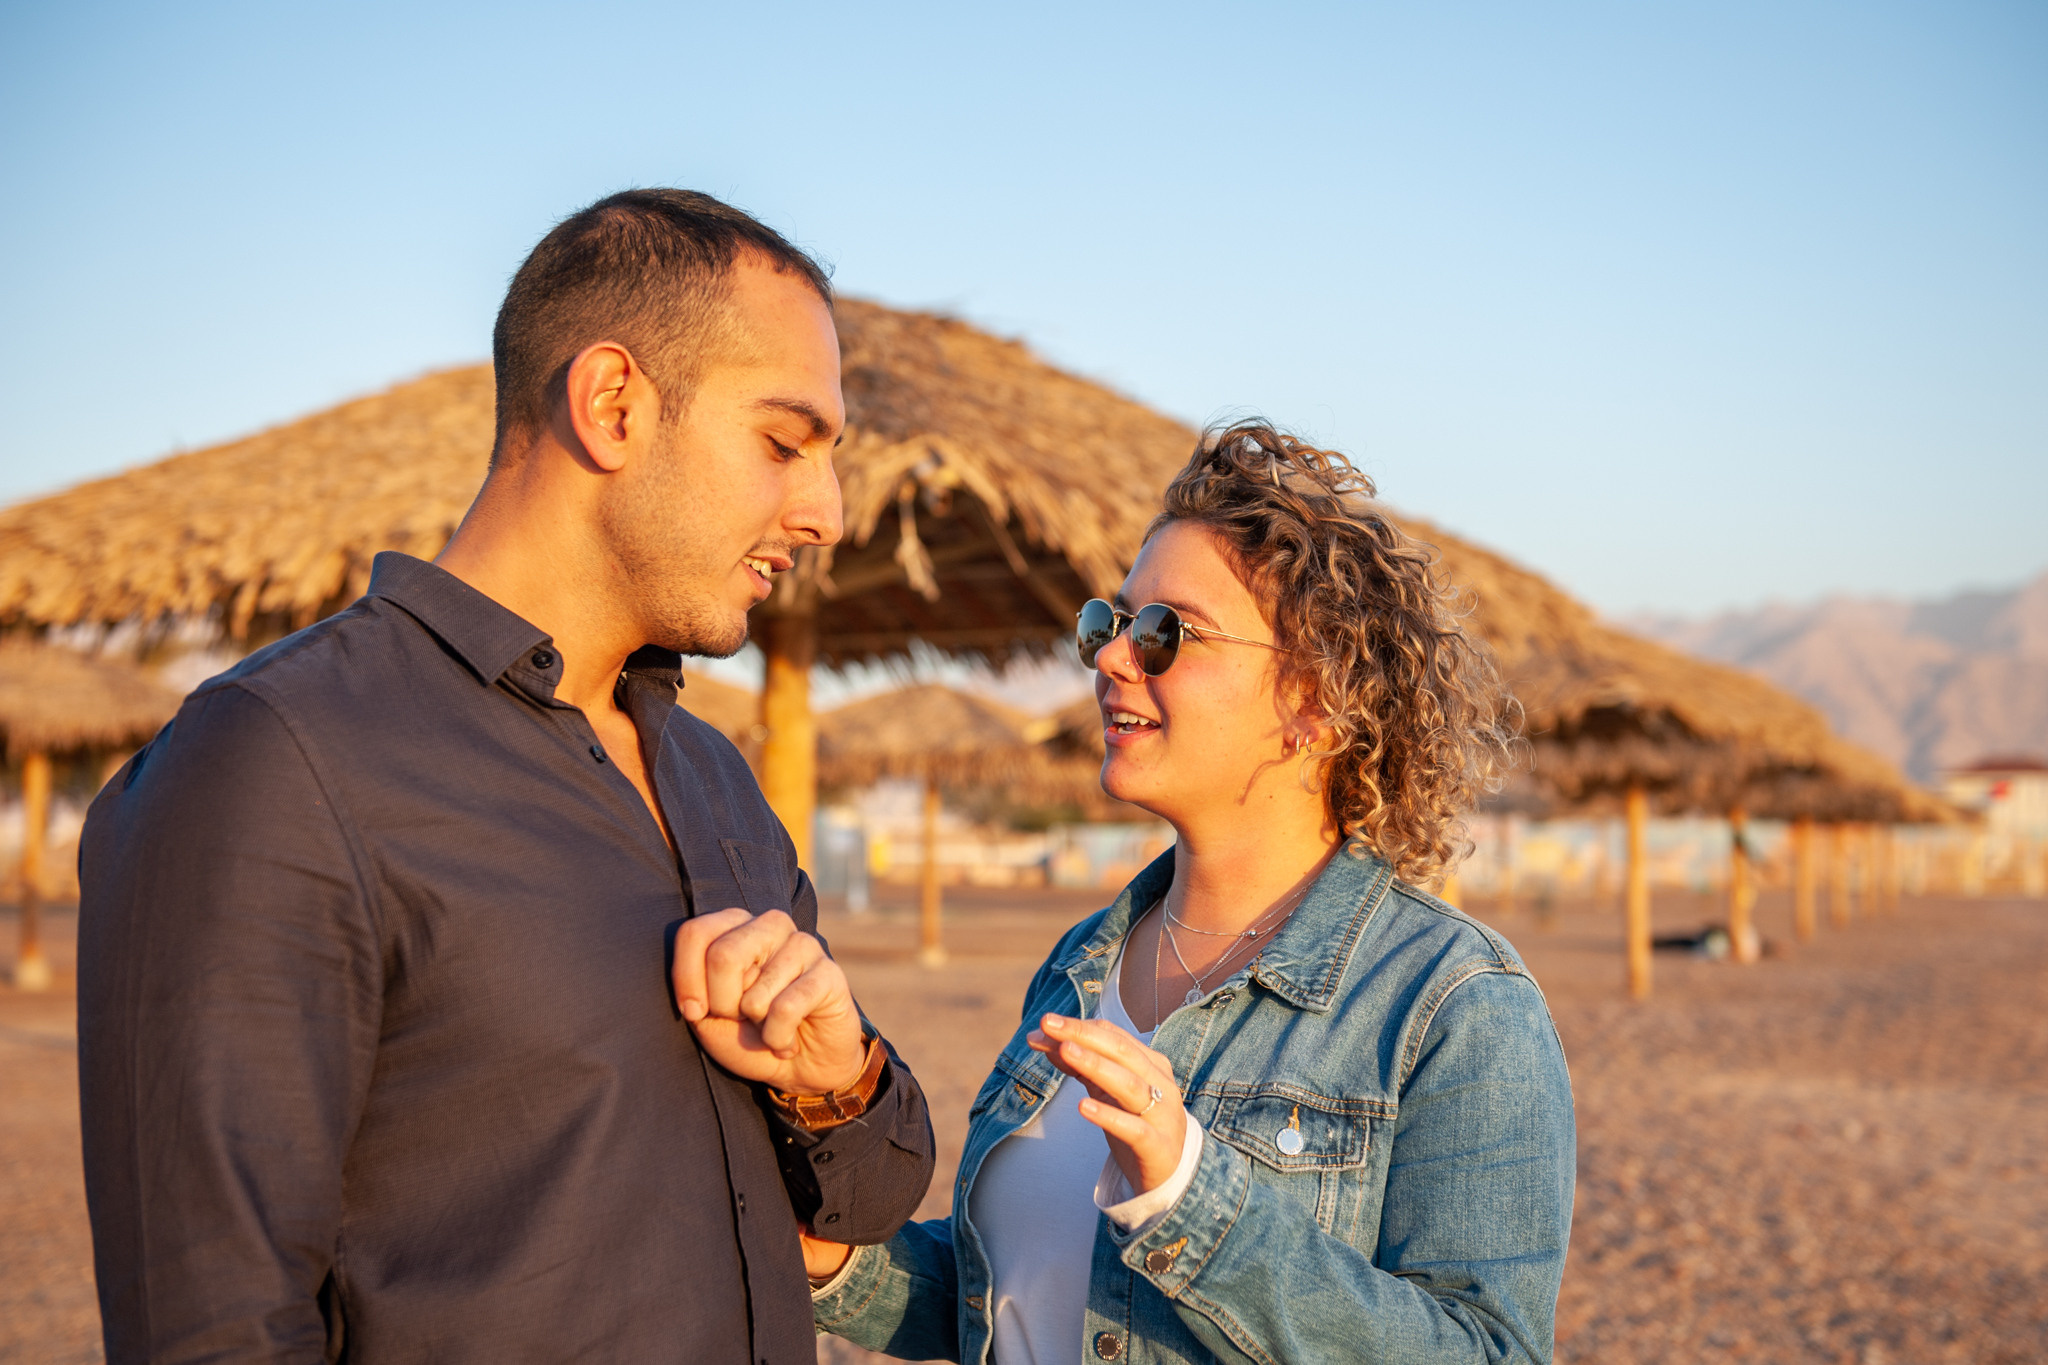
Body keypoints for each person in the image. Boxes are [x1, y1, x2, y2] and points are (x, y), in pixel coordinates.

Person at [76, 189, 935, 1363]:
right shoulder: (278, 760)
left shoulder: (714, 777)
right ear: (613, 404)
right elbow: (210, 1325)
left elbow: (868, 1202)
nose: (825, 512)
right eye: (784, 444)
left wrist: (837, 1081)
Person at [808, 424, 1575, 1364]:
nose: (1113, 659)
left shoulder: (1451, 1003)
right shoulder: (1080, 963)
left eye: (1169, 633)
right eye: (1111, 622)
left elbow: (1489, 1351)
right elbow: (1010, 1292)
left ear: (1316, 703)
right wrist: (833, 1263)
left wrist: (1188, 1194)